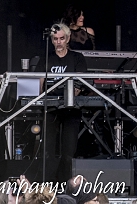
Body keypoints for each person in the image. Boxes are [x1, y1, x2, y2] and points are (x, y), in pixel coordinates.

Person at [36, 23, 88, 183]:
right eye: (55, 39)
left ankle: (66, 184)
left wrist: (70, 96)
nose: (58, 42)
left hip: (71, 109)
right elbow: (39, 82)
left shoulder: (77, 58)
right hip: (51, 108)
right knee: (47, 149)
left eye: (61, 38)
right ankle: (47, 184)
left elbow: (79, 83)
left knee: (69, 150)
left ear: (68, 38)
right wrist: (41, 99)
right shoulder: (46, 58)